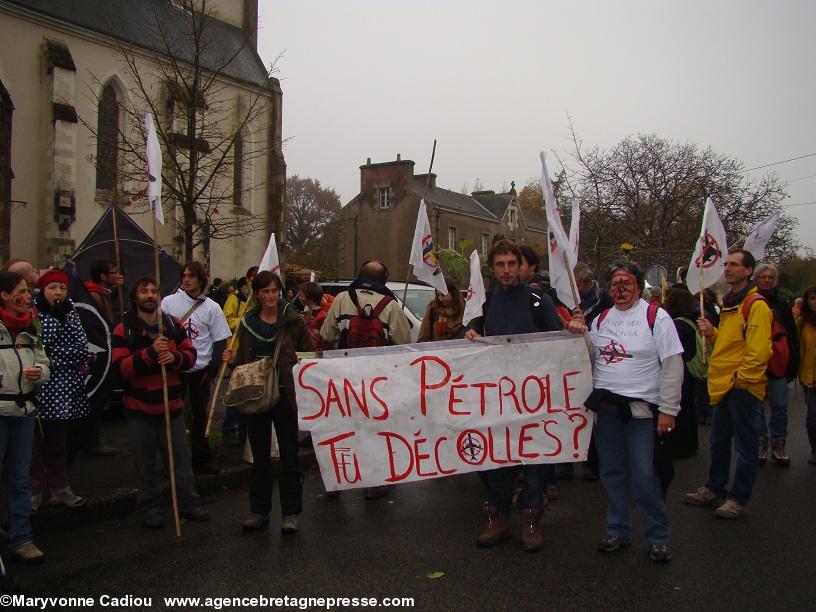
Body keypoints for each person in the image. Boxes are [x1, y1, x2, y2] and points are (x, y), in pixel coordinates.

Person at [568, 261, 682, 563]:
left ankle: (658, 535)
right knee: (612, 473)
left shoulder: (656, 317)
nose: (620, 289)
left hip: (641, 413)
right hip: (606, 412)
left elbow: (672, 364)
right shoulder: (602, 318)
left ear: (638, 285)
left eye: (626, 283)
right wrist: (580, 334)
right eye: (615, 283)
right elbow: (590, 357)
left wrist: (669, 410)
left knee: (644, 476)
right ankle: (618, 529)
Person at [465, 240, 562, 553]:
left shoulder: (538, 300)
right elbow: (466, 340)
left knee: (535, 456)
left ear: (520, 265)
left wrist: (574, 330)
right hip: (496, 396)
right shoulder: (485, 301)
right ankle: (498, 516)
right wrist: (469, 335)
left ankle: (531, 519)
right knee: (498, 457)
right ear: (492, 269)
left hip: (534, 396)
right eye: (500, 265)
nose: (506, 270)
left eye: (511, 264)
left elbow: (559, 341)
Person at [111, 277, 210, 528]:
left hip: (171, 405)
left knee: (180, 460)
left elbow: (191, 356)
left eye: (154, 291)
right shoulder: (124, 329)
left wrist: (174, 358)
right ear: (136, 296)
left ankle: (189, 504)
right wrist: (150, 353)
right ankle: (149, 508)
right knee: (145, 463)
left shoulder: (172, 324)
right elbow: (120, 368)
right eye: (144, 291)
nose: (150, 295)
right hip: (139, 408)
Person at [222, 271, 313, 533]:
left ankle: (290, 513)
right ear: (257, 295)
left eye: (273, 290)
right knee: (259, 456)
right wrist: (233, 356)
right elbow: (242, 359)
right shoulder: (248, 322)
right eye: (264, 291)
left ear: (279, 292)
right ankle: (259, 511)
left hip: (285, 394)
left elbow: (308, 351)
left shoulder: (293, 320)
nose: (270, 296)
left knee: (289, 455)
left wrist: (300, 361)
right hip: (257, 393)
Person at [685, 248, 772, 519]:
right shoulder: (730, 303)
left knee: (745, 448)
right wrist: (713, 334)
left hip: (741, 388)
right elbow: (731, 343)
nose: (728, 268)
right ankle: (715, 487)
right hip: (724, 385)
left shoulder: (755, 305)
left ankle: (738, 498)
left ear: (748, 271)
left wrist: (741, 381)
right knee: (718, 442)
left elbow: (758, 352)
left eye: (734, 265)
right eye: (727, 264)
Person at [320, 260, 410, 499]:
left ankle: (338, 479)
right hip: (378, 379)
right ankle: (375, 481)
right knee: (376, 428)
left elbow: (326, 335)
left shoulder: (341, 299)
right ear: (384, 279)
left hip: (344, 377)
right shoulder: (390, 305)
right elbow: (404, 342)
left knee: (342, 427)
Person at [161, 262, 231, 474]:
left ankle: (200, 458)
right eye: (184, 275)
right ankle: (173, 463)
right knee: (173, 418)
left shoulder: (212, 307)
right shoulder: (168, 302)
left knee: (200, 417)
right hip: (175, 368)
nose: (187, 279)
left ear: (201, 279)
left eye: (192, 276)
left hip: (199, 371)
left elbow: (219, 340)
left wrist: (213, 368)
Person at [31, 269, 91, 512]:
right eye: (52, 287)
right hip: (39, 387)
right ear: (43, 290)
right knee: (35, 447)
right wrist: (53, 321)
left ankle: (60, 488)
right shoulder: (34, 313)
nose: (58, 293)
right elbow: (37, 345)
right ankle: (33, 492)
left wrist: (53, 358)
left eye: (62, 288)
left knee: (59, 443)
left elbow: (81, 348)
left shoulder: (71, 312)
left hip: (64, 388)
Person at [0, 270, 49, 563]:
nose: (26, 296)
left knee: (20, 478)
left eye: (28, 291)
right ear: (5, 295)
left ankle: (22, 538)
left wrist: (39, 372)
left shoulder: (32, 325)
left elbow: (44, 361)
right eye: (20, 291)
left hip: (25, 411)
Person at [76, 258, 123, 457]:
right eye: (113, 272)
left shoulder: (103, 294)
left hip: (101, 353)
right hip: (97, 355)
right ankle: (89, 440)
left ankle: (90, 438)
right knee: (95, 398)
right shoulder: (94, 296)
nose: (117, 275)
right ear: (103, 276)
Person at [754, 263, 799, 466]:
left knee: (779, 406)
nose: (766, 280)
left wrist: (792, 363)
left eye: (770, 277)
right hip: (756, 362)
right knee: (756, 407)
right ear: (756, 279)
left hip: (778, 363)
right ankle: (761, 442)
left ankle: (778, 443)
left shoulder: (781, 304)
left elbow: (790, 335)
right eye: (763, 276)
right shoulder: (750, 302)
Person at [662, 284, 700, 458]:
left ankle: (680, 445)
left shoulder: (676, 324)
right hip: (690, 371)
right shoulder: (690, 321)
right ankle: (690, 443)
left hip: (682, 371)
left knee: (681, 409)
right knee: (688, 408)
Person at [795, 286, 816, 465]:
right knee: (812, 416)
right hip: (810, 375)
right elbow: (798, 347)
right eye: (812, 298)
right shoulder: (802, 322)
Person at [417, 277, 465, 342]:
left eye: (443, 295)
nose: (440, 299)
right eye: (438, 295)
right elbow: (423, 336)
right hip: (438, 350)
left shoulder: (465, 308)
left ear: (453, 293)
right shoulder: (433, 308)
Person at [297, 281, 335, 350]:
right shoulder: (309, 312)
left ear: (310, 299)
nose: (299, 298)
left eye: (301, 295)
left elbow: (326, 340)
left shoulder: (322, 316)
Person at [574, 262, 613, 326]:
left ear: (588, 282)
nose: (576, 290)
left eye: (578, 286)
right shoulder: (571, 299)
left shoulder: (605, 300)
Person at [223, 267, 258, 333]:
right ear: (247, 279)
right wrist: (246, 322)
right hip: (237, 341)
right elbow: (226, 320)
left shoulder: (258, 300)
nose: (256, 285)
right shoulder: (234, 297)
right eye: (253, 281)